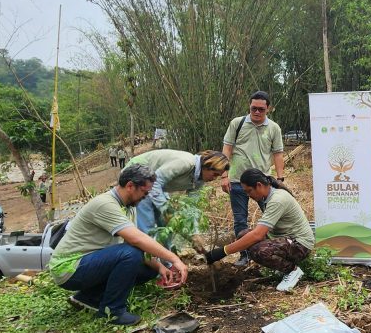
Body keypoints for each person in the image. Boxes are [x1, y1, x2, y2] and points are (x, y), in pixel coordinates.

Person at [48, 164, 189, 325]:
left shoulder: (129, 207)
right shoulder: (105, 204)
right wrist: (174, 259)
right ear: (130, 186)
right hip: (69, 268)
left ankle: (88, 297)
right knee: (130, 254)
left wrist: (159, 267)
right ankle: (112, 311)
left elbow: (134, 243)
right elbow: (136, 240)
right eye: (144, 192)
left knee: (149, 267)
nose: (146, 196)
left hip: (89, 263)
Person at [204, 169, 312, 292]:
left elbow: (258, 235)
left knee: (258, 250)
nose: (248, 195)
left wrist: (223, 252)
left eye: (249, 191)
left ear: (259, 186)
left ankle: (292, 270)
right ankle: (282, 266)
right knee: (243, 235)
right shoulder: (269, 197)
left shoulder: (278, 199)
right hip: (285, 238)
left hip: (300, 244)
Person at [221, 91, 285, 265]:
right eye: (253, 108)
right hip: (237, 180)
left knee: (272, 216)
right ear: (249, 107)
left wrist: (280, 178)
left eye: (261, 109)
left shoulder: (273, 128)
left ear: (268, 109)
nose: (257, 112)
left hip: (262, 182)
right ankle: (245, 254)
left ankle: (275, 250)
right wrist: (224, 175)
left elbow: (278, 154)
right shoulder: (237, 123)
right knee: (240, 218)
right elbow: (227, 149)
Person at [125, 149, 229, 236]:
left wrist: (194, 233)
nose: (214, 178)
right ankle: (150, 256)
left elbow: (191, 207)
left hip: (155, 184)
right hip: (138, 175)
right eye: (214, 174)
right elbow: (155, 183)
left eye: (218, 176)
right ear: (207, 166)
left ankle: (167, 258)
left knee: (167, 226)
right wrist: (167, 211)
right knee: (148, 224)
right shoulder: (186, 162)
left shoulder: (199, 181)